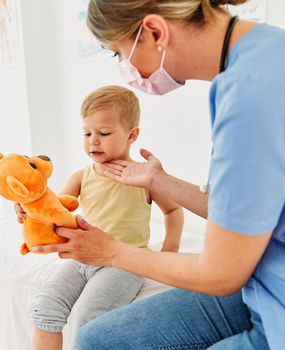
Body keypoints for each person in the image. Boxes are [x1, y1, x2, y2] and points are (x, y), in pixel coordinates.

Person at [29, 0, 285, 349]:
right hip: (269, 278)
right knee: (97, 338)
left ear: (154, 31)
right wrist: (157, 179)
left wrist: (112, 252)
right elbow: (242, 210)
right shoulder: (265, 56)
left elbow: (221, 274)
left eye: (118, 54)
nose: (124, 67)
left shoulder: (253, 95)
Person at [20, 85, 184, 350]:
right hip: (83, 259)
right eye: (86, 133)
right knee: (45, 307)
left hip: (124, 264)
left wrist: (170, 249)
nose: (93, 140)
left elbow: (174, 210)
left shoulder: (145, 177)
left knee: (87, 319)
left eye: (104, 133)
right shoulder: (81, 177)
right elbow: (54, 211)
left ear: (132, 135)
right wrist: (29, 208)